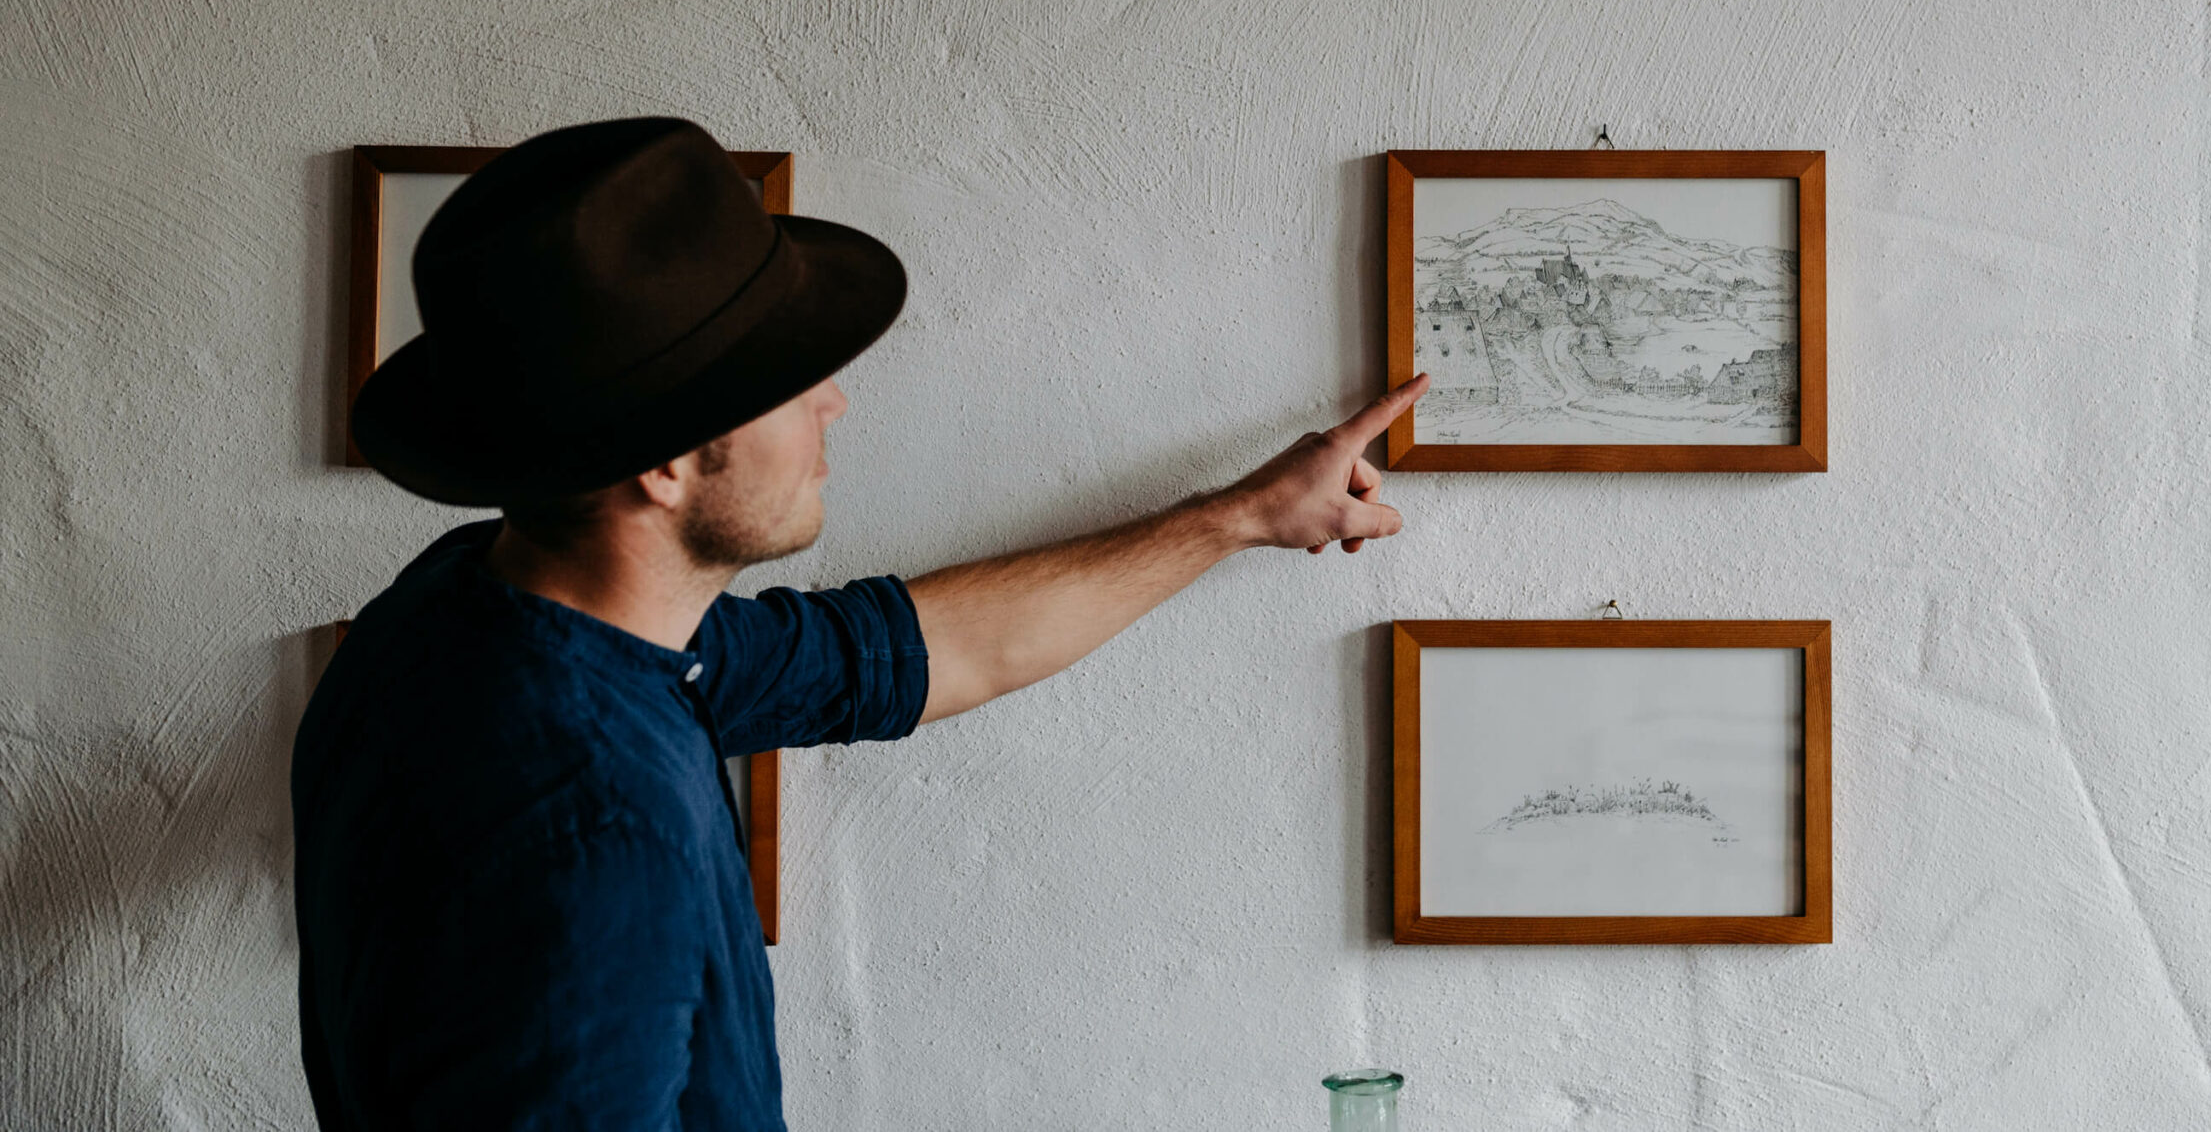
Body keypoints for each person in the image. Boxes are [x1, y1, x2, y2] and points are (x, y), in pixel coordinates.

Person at [292, 116, 1427, 1130]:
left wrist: (1240, 517)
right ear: (671, 461)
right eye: (785, 378)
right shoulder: (592, 825)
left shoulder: (475, 614)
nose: (833, 398)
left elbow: (905, 653)